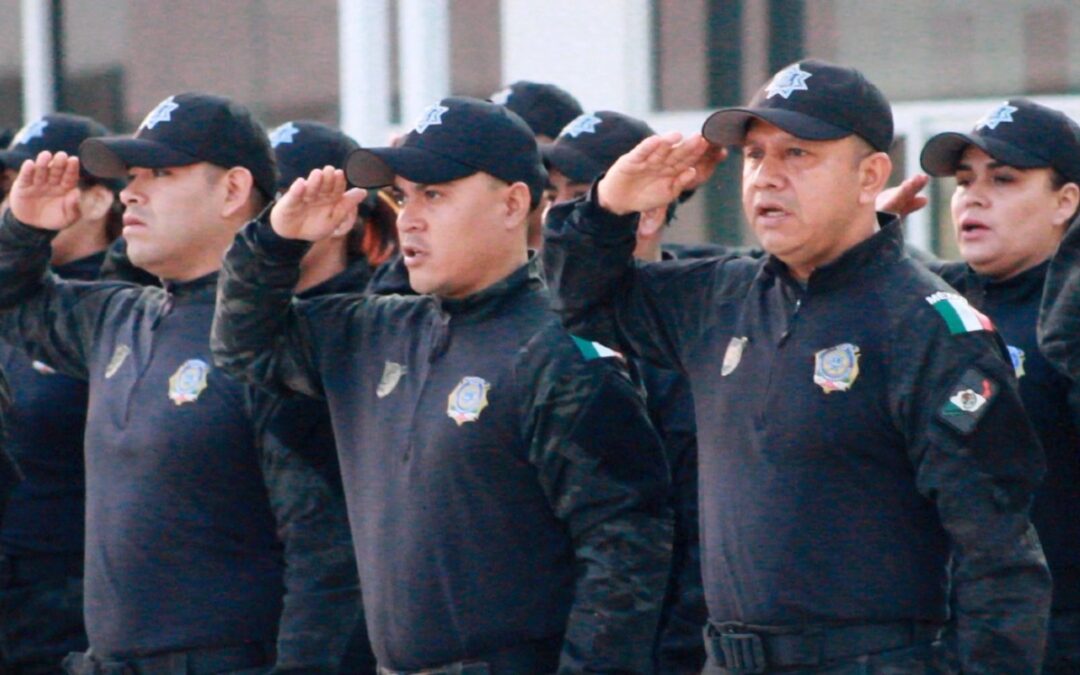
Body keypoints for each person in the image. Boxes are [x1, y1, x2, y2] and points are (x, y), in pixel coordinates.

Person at [543, 59, 1051, 673]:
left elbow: (998, 561)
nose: (767, 176)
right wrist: (608, 206)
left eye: (798, 154)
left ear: (870, 175)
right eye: (755, 155)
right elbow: (582, 302)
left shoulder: (928, 326)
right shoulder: (719, 296)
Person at [210, 96, 674, 673]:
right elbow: (242, 347)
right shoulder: (372, 330)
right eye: (402, 197)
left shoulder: (561, 347)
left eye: (435, 194)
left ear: (512, 203)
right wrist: (276, 242)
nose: (409, 218)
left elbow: (625, 550)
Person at [0, 93, 359, 674]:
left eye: (160, 173)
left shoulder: (275, 344)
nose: (131, 192)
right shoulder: (117, 316)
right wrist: (23, 228)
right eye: (132, 175)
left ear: (233, 190)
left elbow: (326, 556)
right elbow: (12, 304)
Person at [919, 99, 1080, 674]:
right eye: (965, 181)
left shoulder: (1067, 318)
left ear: (1066, 201)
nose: (974, 197)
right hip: (941, 635)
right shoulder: (930, 303)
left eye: (1004, 179)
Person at [545, 108, 707, 673]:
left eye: (581, 195)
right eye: (553, 196)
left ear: (651, 211)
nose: (559, 215)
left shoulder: (699, 332)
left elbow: (699, 538)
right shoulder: (532, 335)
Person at [0, 113, 126, 674]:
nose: (17, 201)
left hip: (74, 594)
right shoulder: (10, 300)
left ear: (98, 200)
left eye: (41, 181)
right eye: (10, 187)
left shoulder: (121, 306)